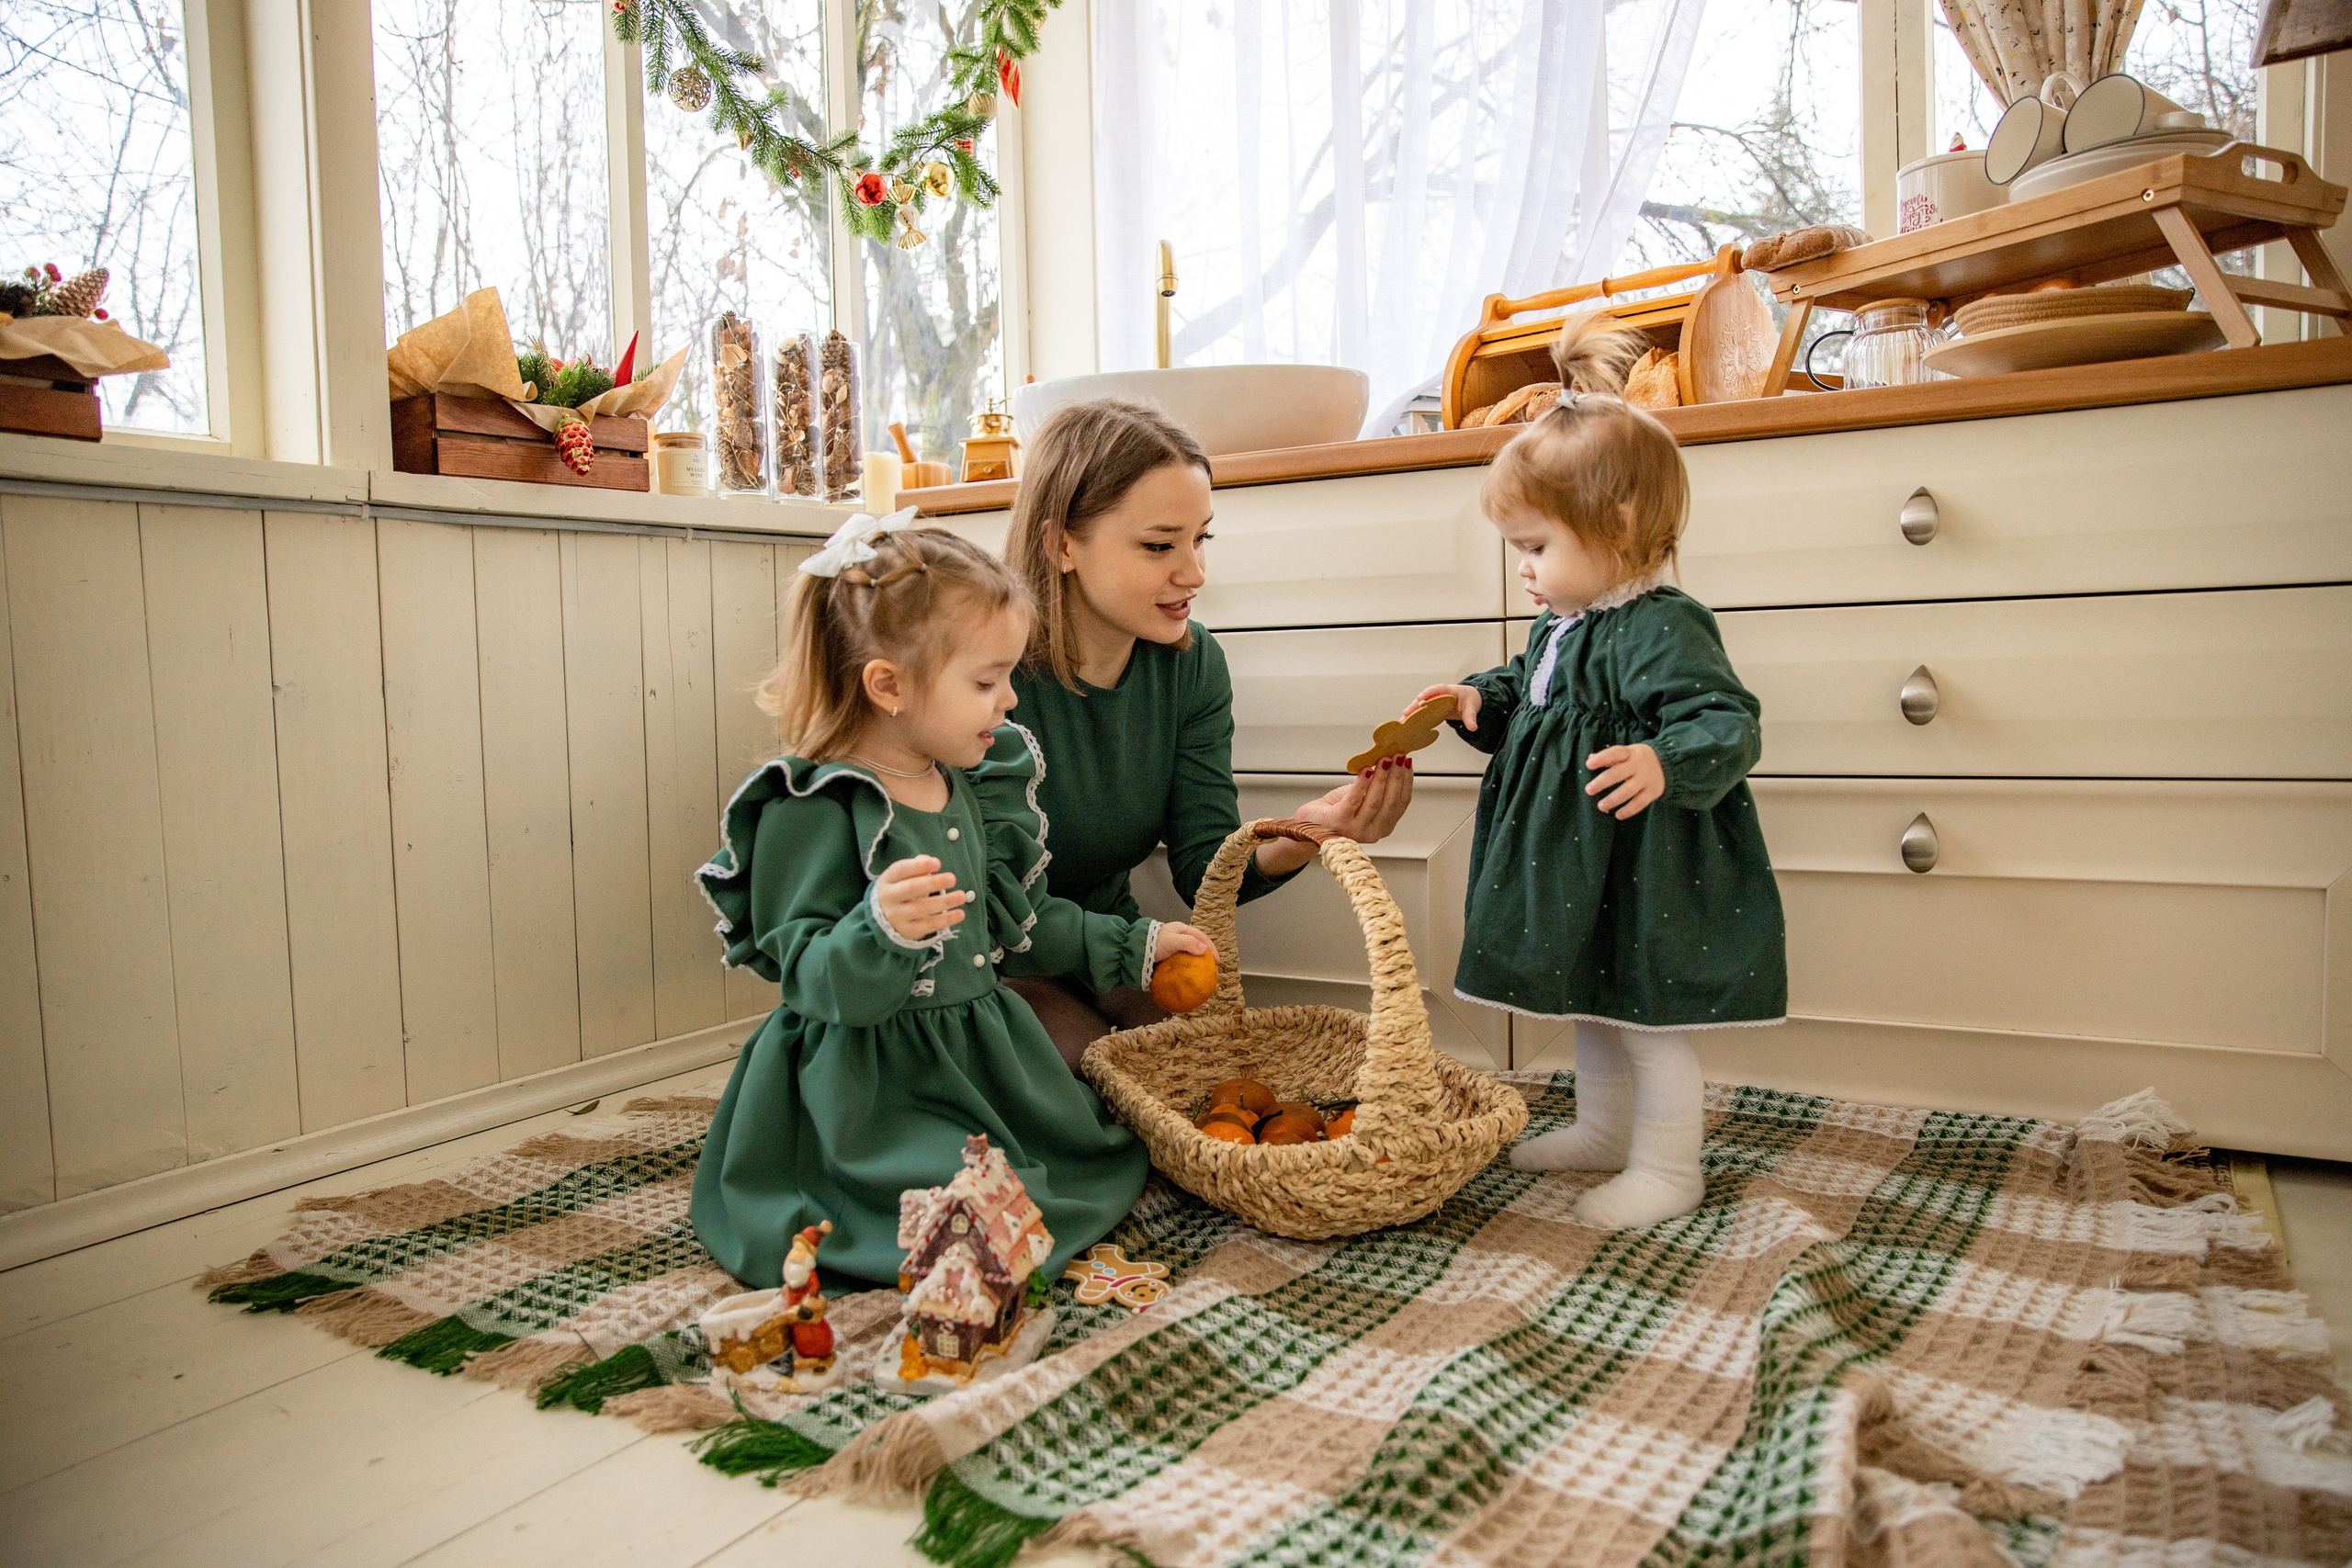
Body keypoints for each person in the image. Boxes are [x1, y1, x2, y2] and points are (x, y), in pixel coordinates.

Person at [689, 511, 1211, 1290]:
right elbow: (807, 974)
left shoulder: (967, 783)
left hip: (977, 1057)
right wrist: (880, 930)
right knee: (949, 1205)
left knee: (1081, 1164)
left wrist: (1136, 945)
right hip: (869, 1084)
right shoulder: (814, 805)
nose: (1008, 701)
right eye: (985, 681)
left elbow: (1020, 929)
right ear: (888, 685)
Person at [1413, 313, 1787, 1230]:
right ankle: (1601, 1128)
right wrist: (1481, 702)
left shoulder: (1660, 624)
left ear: (1616, 524)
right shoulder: (1566, 619)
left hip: (1639, 862)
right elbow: (1535, 699)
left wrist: (1667, 759)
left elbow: (1725, 718)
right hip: (1570, 863)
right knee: (1588, 999)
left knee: (1645, 1015)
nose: (1525, 571)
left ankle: (1668, 1167)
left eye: (1536, 547)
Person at [981, 400, 1413, 1066]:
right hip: (996, 951)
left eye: (1200, 538)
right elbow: (995, 907)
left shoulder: (1191, 663)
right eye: (1160, 545)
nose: (1194, 573)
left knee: (1196, 1065)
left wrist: (1304, 832)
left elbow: (1205, 865)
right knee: (1099, 1084)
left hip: (1112, 945)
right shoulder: (987, 672)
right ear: (1060, 544)